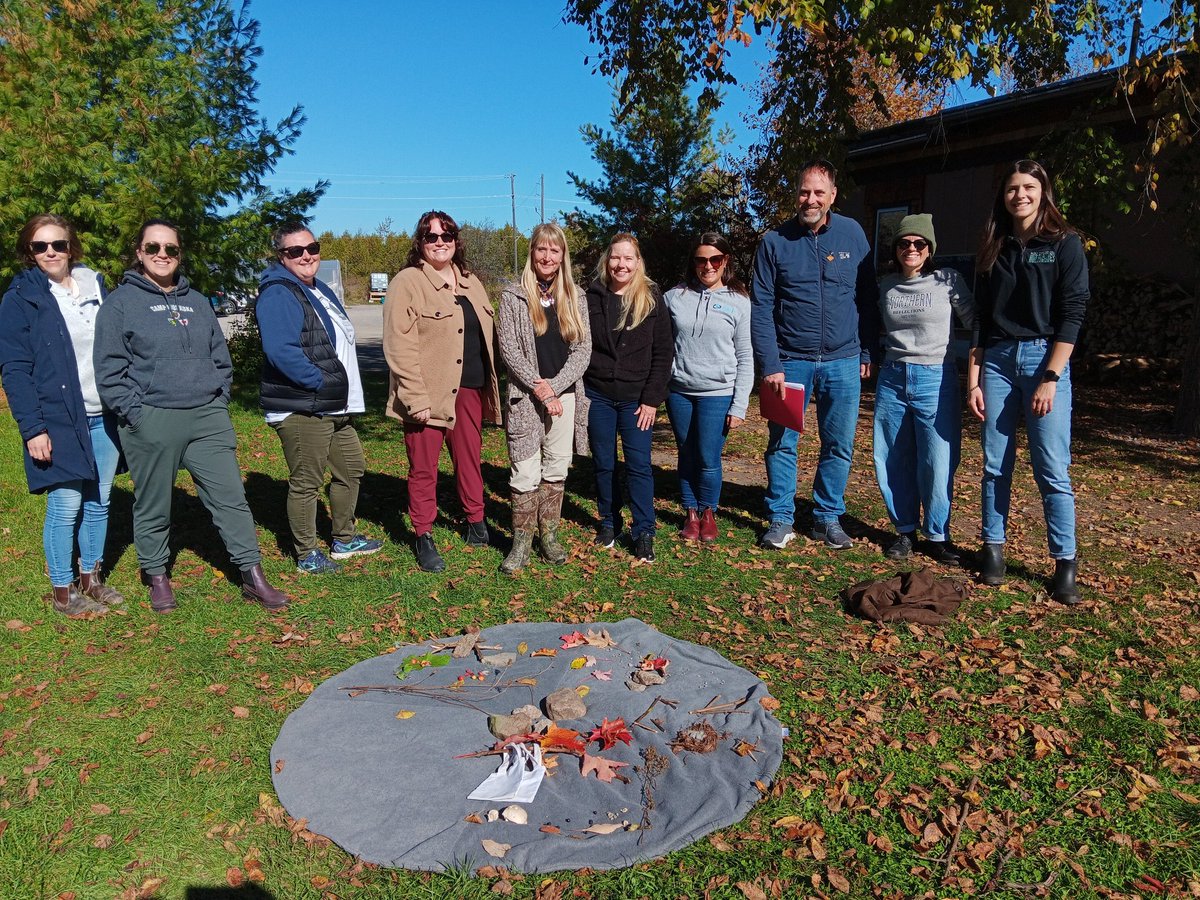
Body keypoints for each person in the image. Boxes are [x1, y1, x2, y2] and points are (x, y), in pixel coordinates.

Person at [94, 219, 290, 613]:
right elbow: (109, 370)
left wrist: (218, 400)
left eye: (171, 249)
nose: (162, 255)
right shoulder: (120, 303)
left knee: (231, 498)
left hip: (207, 418)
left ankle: (252, 575)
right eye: (154, 248)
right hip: (152, 418)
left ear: (179, 254)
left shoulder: (198, 301)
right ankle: (156, 575)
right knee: (154, 502)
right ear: (140, 253)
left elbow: (220, 358)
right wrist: (135, 414)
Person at [968, 160, 1088, 605]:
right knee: (995, 464)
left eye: (1028, 187)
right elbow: (980, 319)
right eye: (1012, 188)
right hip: (997, 361)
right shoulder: (994, 247)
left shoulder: (1064, 244)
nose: (1020, 195)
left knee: (1052, 468)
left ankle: (1064, 563)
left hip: (1044, 359)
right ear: (1003, 196)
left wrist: (1052, 377)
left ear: (1043, 192)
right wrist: (975, 380)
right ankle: (993, 551)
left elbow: (1073, 315)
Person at [750, 158, 880, 550]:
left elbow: (868, 298)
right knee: (782, 442)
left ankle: (826, 517)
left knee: (838, 443)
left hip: (843, 360)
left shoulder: (853, 234)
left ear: (832, 195)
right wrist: (770, 363)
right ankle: (781, 518)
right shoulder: (775, 241)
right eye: (805, 191)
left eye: (818, 192)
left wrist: (868, 349)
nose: (811, 199)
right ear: (797, 194)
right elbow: (761, 307)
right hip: (791, 361)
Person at [0, 214, 123, 617]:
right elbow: (15, 368)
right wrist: (33, 428)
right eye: (40, 246)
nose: (50, 252)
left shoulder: (95, 285)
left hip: (101, 412)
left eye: (58, 244)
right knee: (66, 503)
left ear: (72, 247)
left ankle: (91, 577)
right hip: (57, 417)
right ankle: (62, 590)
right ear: (29, 251)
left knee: (99, 500)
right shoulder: (21, 298)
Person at [255, 223, 382, 575]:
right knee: (307, 481)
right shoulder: (279, 293)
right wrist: (318, 382)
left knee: (351, 468)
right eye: (295, 251)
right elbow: (281, 351)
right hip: (304, 406)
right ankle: (307, 554)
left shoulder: (315, 287)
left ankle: (343, 538)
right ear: (281, 256)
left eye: (312, 247)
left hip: (334, 404)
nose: (306, 255)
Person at [383, 211, 500, 573]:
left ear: (456, 240)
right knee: (424, 469)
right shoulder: (408, 282)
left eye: (446, 236)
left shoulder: (470, 281)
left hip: (469, 388)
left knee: (469, 460)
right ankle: (423, 534)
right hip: (427, 393)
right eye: (431, 236)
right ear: (420, 241)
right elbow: (399, 345)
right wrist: (414, 398)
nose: (439, 242)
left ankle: (476, 523)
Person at [873, 214, 976, 564]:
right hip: (892, 377)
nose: (911, 249)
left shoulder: (948, 281)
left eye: (919, 243)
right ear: (896, 249)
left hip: (936, 377)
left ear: (929, 248)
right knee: (892, 455)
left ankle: (937, 535)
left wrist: (977, 370)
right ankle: (903, 531)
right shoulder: (886, 284)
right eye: (904, 243)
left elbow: (976, 322)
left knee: (937, 459)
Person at [495, 223, 592, 575]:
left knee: (555, 468)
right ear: (532, 252)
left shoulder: (576, 297)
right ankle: (520, 544)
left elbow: (583, 350)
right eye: (541, 249)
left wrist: (556, 387)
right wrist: (539, 388)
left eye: (555, 250)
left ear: (562, 255)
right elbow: (509, 349)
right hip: (525, 398)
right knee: (524, 471)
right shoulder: (513, 296)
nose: (547, 257)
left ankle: (548, 537)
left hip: (565, 397)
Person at [583, 233, 674, 562]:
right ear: (607, 261)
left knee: (639, 466)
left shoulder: (650, 298)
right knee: (603, 464)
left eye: (628, 258)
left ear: (638, 263)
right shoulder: (592, 296)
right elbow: (579, 346)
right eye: (615, 257)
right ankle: (609, 521)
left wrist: (652, 398)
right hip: (599, 395)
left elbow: (664, 353)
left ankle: (644, 530)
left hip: (638, 400)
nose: (621, 264)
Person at [663, 232, 753, 543]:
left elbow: (745, 355)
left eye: (715, 259)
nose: (708, 266)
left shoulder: (739, 301)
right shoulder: (674, 297)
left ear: (725, 260)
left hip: (718, 392)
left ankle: (708, 512)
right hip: (680, 391)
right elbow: (663, 347)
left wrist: (739, 404)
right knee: (686, 452)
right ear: (694, 262)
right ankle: (690, 512)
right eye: (701, 260)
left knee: (708, 455)